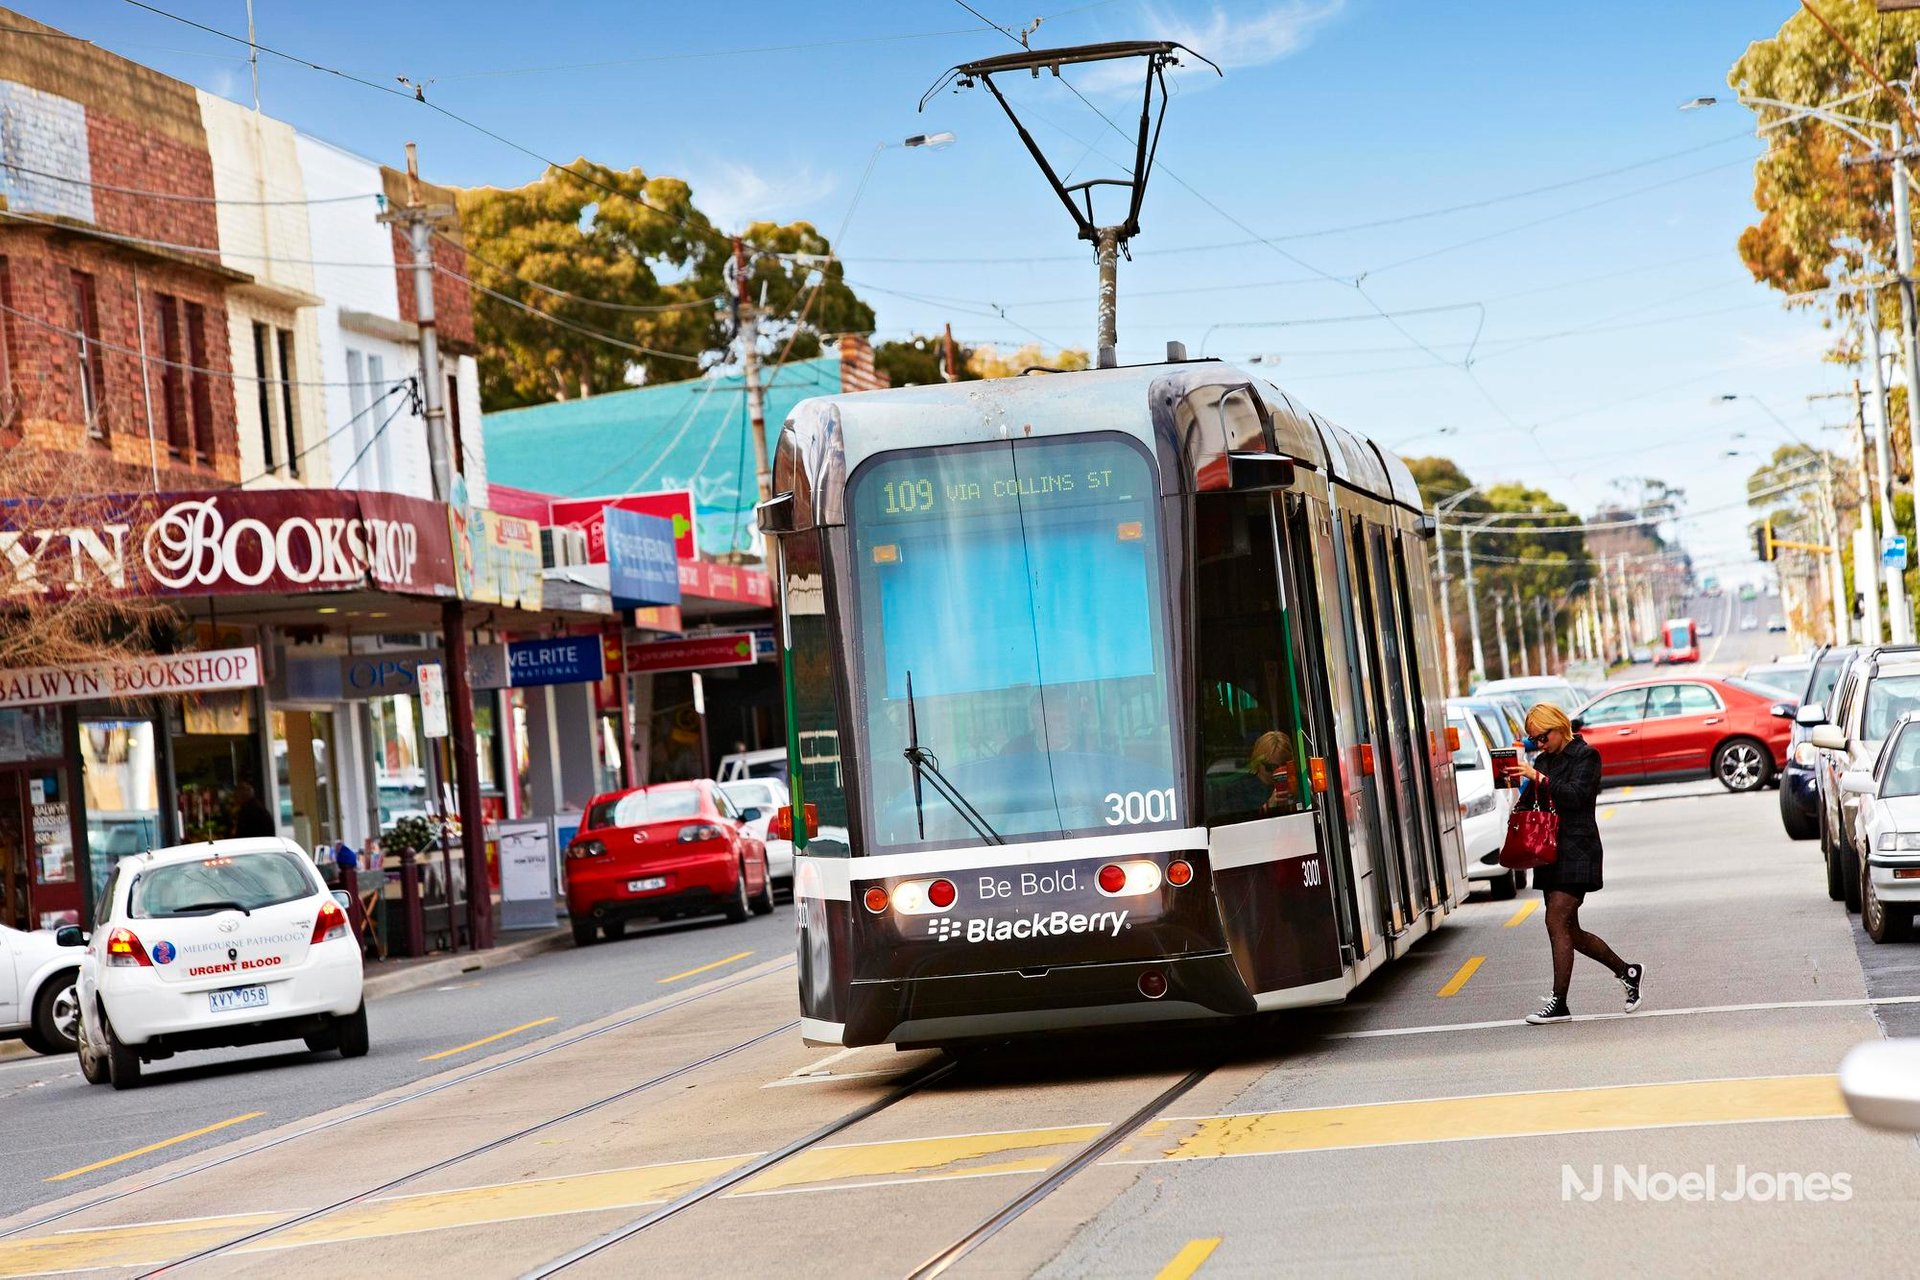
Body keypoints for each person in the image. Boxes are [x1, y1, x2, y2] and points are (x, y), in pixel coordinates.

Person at [1512, 702, 1642, 1024]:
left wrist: (1539, 779)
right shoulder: (1543, 761)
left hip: (1578, 849)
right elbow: (1531, 803)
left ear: (1558, 726)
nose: (1539, 746)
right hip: (1549, 852)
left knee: (1555, 921)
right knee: (1569, 929)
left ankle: (1559, 1003)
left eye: (1542, 737)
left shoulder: (1587, 756)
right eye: (1534, 741)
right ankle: (1627, 971)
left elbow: (1576, 796)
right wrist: (1517, 787)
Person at [1212, 730, 1300, 820]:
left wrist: (1307, 794)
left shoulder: (1295, 784)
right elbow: (1227, 824)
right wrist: (1268, 807)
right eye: (1270, 767)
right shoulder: (1240, 790)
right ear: (1257, 763)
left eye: (1284, 766)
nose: (1277, 772)